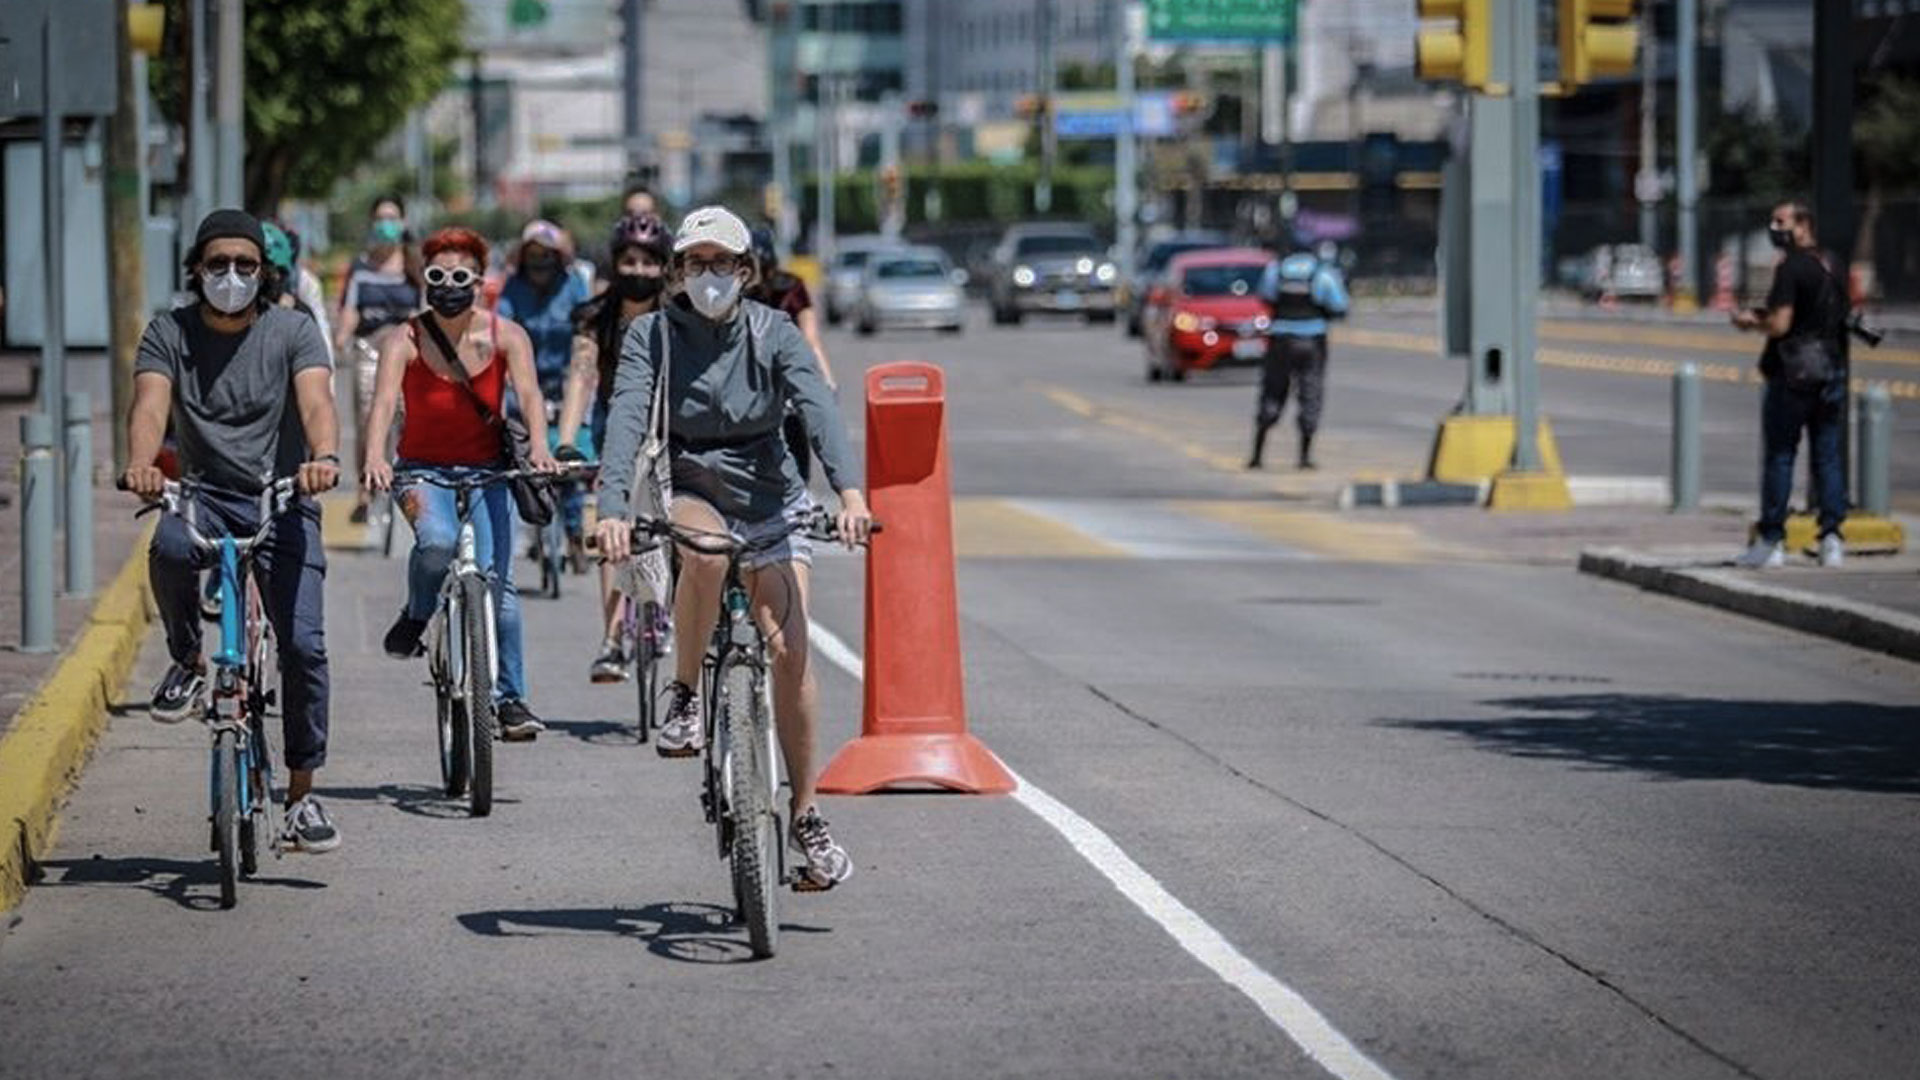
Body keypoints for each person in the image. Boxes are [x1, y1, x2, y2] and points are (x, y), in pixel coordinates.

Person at [594, 205, 872, 889]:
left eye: (723, 262)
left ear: (746, 271)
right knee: (707, 552)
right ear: (677, 272)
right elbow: (627, 414)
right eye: (696, 263)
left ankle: (806, 814)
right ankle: (686, 695)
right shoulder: (652, 336)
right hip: (690, 480)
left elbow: (817, 407)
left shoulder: (775, 330)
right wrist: (611, 511)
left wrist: (851, 495)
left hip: (772, 493)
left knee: (790, 650)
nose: (709, 275)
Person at [123, 209, 343, 853]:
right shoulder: (169, 332)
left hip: (283, 497)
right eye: (217, 263)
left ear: (263, 272)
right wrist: (141, 464)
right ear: (196, 269)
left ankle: (301, 797)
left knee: (303, 646)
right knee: (167, 546)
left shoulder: (293, 330)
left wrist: (324, 458)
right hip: (204, 495)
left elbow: (317, 402)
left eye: (245, 265)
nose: (231, 276)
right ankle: (188, 660)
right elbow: (149, 405)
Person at [361, 227, 558, 742]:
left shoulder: (506, 335)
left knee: (500, 587)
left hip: (490, 472)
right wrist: (375, 456)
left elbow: (530, 395)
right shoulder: (403, 339)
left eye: (460, 276)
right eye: (438, 275)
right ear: (424, 279)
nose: (449, 286)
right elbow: (384, 402)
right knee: (437, 543)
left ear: (479, 281)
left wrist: (540, 447)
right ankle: (417, 613)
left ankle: (510, 699)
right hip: (421, 471)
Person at [557, 213, 675, 682]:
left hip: (675, 429)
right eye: (629, 261)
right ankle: (611, 640)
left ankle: (673, 606)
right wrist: (567, 440)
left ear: (663, 266)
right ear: (615, 263)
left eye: (649, 262)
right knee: (612, 528)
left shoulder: (680, 315)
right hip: (618, 433)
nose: (639, 270)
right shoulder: (596, 316)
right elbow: (581, 375)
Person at [1732, 200, 1850, 568]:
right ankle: (1831, 538)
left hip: (1793, 374)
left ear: (1803, 225)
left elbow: (1781, 324)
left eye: (1781, 222)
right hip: (1831, 371)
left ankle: (1771, 541)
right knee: (1827, 457)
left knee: (1781, 456)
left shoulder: (1791, 267)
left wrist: (1751, 322)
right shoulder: (1832, 265)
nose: (1774, 228)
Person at [498, 220, 596, 557]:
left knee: (570, 453)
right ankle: (535, 521)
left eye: (547, 255)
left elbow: (586, 326)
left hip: (566, 380)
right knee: (522, 448)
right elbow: (502, 327)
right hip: (524, 381)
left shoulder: (573, 285)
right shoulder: (512, 288)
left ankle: (575, 528)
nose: (540, 263)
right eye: (534, 255)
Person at [335, 195, 423, 522]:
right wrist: (341, 338)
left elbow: (426, 310)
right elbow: (350, 310)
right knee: (369, 420)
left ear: (403, 222)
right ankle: (366, 489)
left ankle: (409, 486)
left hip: (407, 354)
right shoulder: (360, 269)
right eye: (381, 218)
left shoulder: (415, 268)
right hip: (369, 352)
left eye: (392, 217)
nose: (386, 224)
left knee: (407, 421)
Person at [746, 225, 839, 482]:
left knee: (795, 426)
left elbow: (811, 336)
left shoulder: (791, 286)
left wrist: (827, 380)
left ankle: (800, 487)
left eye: (754, 265)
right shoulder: (736, 291)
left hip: (786, 370)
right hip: (748, 375)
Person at [1250, 239, 1350, 470]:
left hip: (1280, 340)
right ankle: (1304, 457)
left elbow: (1265, 296)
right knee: (1310, 393)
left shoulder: (1276, 269)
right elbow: (1339, 305)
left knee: (1273, 391)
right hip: (1311, 341)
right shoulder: (1322, 272)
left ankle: (1257, 455)